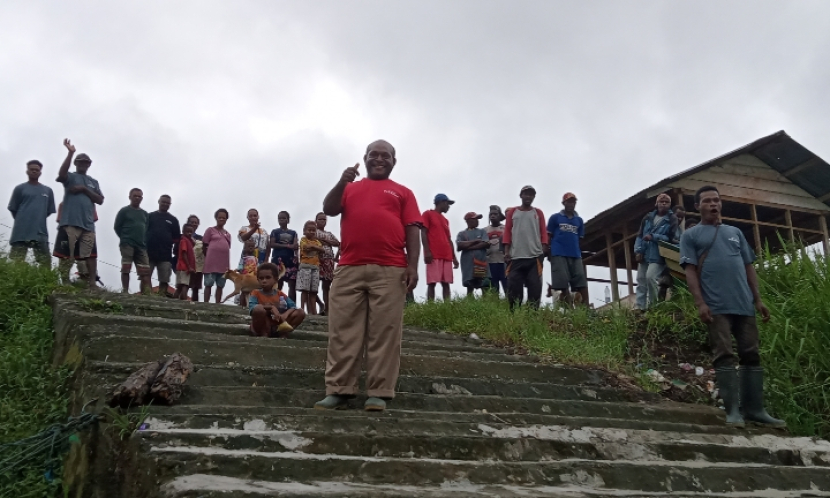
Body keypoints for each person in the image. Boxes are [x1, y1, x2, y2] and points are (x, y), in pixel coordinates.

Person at [315, 140, 421, 412]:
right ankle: (339, 390)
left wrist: (413, 266)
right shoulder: (350, 188)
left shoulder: (403, 192)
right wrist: (341, 181)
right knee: (342, 331)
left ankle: (379, 392)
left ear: (393, 162)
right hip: (349, 267)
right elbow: (328, 208)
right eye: (373, 154)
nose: (379, 159)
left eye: (385, 155)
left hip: (391, 268)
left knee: (384, 332)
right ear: (364, 159)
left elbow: (412, 229)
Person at [681, 185, 785, 428]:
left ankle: (756, 410)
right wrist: (700, 303)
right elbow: (690, 271)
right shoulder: (691, 236)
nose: (713, 205)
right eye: (707, 201)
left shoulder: (735, 233)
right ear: (697, 206)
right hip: (716, 306)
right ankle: (733, 412)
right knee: (724, 354)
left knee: (751, 354)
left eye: (716, 200)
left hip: (744, 304)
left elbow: (749, 266)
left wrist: (758, 299)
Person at [56, 139, 104, 289]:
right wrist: (70, 153)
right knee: (66, 254)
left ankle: (91, 283)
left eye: (86, 162)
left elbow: (100, 199)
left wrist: (84, 189)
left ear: (89, 164)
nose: (83, 164)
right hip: (70, 221)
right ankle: (65, 281)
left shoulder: (93, 182)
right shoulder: (71, 177)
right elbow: (61, 174)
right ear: (76, 163)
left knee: (90, 255)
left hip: (88, 224)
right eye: (80, 162)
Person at [503, 186, 548, 310]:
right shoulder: (513, 212)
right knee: (514, 287)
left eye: (531, 194)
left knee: (535, 287)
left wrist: (543, 248)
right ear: (521, 195)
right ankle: (514, 314)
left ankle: (532, 315)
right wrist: (506, 251)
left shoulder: (538, 213)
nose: (528, 197)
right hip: (516, 256)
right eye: (526, 194)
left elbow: (543, 231)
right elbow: (507, 232)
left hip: (534, 257)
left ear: (534, 197)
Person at [634, 193, 678, 309]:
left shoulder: (671, 219)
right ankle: (640, 307)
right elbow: (639, 235)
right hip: (644, 252)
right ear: (656, 203)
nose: (663, 203)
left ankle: (654, 306)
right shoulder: (648, 217)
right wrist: (638, 250)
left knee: (650, 277)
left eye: (666, 202)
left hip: (658, 254)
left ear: (669, 205)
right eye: (661, 201)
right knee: (641, 279)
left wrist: (654, 237)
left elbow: (671, 238)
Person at [8, 159, 56, 265]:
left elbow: (48, 211)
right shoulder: (19, 188)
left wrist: (37, 218)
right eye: (32, 169)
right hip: (21, 231)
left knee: (45, 262)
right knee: (17, 262)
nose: (34, 171)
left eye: (37, 170)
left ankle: (44, 281)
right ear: (27, 171)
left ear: (40, 172)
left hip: (40, 231)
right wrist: (23, 219)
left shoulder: (47, 190)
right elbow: (13, 209)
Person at [546, 192, 588, 307]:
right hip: (558, 252)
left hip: (575, 254)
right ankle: (569, 309)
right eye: (569, 201)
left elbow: (580, 239)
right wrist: (549, 252)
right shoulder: (555, 218)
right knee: (562, 283)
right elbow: (548, 236)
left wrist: (579, 251)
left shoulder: (579, 220)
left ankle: (586, 309)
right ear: (563, 203)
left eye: (573, 201)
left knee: (580, 280)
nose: (571, 204)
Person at [249, 262, 306, 338]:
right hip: (262, 325)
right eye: (261, 278)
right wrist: (271, 307)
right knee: (259, 309)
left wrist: (285, 315)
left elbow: (294, 306)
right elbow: (252, 308)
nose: (264, 280)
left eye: (268, 277)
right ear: (258, 279)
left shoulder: (280, 294)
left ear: (276, 279)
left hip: (278, 323)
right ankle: (264, 333)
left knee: (300, 312)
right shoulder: (255, 293)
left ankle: (282, 332)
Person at [113, 188, 151, 293]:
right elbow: (117, 227)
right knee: (126, 267)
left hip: (141, 245)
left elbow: (146, 228)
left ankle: (146, 293)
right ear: (130, 197)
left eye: (139, 196)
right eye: (135, 196)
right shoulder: (124, 211)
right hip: (127, 244)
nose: (137, 198)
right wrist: (124, 238)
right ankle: (125, 290)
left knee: (145, 271)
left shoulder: (144, 214)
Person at [421, 193, 457, 302]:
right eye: (448, 204)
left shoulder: (446, 220)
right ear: (441, 202)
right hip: (434, 254)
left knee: (446, 283)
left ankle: (447, 306)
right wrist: (427, 251)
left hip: (447, 255)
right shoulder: (428, 214)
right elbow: (423, 232)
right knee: (432, 282)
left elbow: (449, 239)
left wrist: (454, 257)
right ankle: (430, 306)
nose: (448, 207)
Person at [53, 202, 97, 284]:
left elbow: (92, 219)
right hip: (66, 233)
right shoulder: (64, 204)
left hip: (85, 232)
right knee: (65, 259)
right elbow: (60, 221)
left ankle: (87, 283)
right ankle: (65, 283)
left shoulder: (90, 204)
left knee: (85, 259)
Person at [146, 194, 181, 296]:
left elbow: (176, 238)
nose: (165, 204)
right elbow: (143, 231)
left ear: (170, 204)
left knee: (164, 279)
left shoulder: (173, 220)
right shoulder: (150, 216)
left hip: (165, 254)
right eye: (163, 202)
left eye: (167, 203)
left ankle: (161, 296)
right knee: (145, 276)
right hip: (148, 252)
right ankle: (147, 295)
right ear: (159, 202)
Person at [456, 212, 491, 296]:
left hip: (481, 262)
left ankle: (486, 304)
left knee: (484, 284)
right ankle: (470, 303)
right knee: (469, 285)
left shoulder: (482, 231)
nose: (477, 221)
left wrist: (468, 247)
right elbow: (460, 245)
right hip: (468, 264)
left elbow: (486, 243)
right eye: (475, 219)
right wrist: (475, 241)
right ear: (468, 221)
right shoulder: (462, 234)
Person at [203, 208, 232, 303]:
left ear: (226, 219)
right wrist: (208, 257)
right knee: (208, 283)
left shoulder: (228, 234)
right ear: (216, 218)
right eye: (220, 217)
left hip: (223, 263)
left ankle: (217, 304)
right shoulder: (210, 230)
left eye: (224, 218)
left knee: (220, 285)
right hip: (211, 262)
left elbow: (228, 247)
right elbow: (204, 245)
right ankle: (206, 303)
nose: (222, 219)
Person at [270, 211, 299, 303]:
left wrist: (297, 256)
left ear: (288, 220)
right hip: (278, 259)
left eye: (284, 218)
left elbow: (295, 246)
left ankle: (292, 305)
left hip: (290, 260)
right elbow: (272, 244)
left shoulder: (293, 233)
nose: (281, 220)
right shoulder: (275, 232)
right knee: (278, 282)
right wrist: (287, 246)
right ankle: (276, 303)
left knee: (292, 283)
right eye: (279, 218)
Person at [297, 220, 325, 315]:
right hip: (305, 267)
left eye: (314, 230)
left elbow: (322, 250)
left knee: (313, 291)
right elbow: (306, 247)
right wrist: (316, 247)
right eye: (309, 230)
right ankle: (302, 309)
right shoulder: (303, 239)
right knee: (304, 290)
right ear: (304, 231)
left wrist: (313, 247)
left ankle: (313, 312)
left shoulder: (317, 241)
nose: (312, 232)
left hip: (315, 267)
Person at [315, 212, 340, 315]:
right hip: (315, 260)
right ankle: (319, 304)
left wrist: (336, 257)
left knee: (326, 286)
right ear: (316, 220)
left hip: (328, 260)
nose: (322, 221)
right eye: (320, 219)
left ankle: (327, 309)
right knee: (312, 286)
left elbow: (338, 244)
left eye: (324, 219)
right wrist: (322, 241)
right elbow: (310, 238)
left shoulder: (329, 234)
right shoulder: (314, 231)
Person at [483, 205, 507, 295]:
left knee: (507, 286)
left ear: (500, 216)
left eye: (495, 214)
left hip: (504, 261)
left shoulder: (506, 229)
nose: (493, 216)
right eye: (491, 214)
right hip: (490, 262)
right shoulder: (484, 230)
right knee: (493, 288)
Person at [172, 223, 196, 300]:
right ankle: (184, 302)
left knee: (180, 286)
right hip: (184, 267)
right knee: (185, 285)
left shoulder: (189, 241)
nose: (189, 233)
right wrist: (189, 267)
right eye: (187, 232)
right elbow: (184, 253)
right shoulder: (184, 241)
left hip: (182, 267)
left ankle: (174, 301)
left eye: (190, 232)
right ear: (183, 231)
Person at [235, 239, 259, 307]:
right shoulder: (244, 258)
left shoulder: (255, 258)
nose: (251, 248)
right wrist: (239, 270)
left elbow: (256, 266)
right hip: (245, 277)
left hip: (252, 277)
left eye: (252, 246)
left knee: (251, 291)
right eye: (249, 246)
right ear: (245, 248)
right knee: (244, 291)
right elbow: (240, 265)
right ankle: (241, 304)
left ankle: (249, 305)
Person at [187, 215, 205, 301]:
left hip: (198, 266)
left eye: (196, 223)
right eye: (192, 222)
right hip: (186, 265)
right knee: (184, 285)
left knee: (196, 288)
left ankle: (194, 307)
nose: (194, 224)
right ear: (188, 223)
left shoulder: (201, 238)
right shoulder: (183, 236)